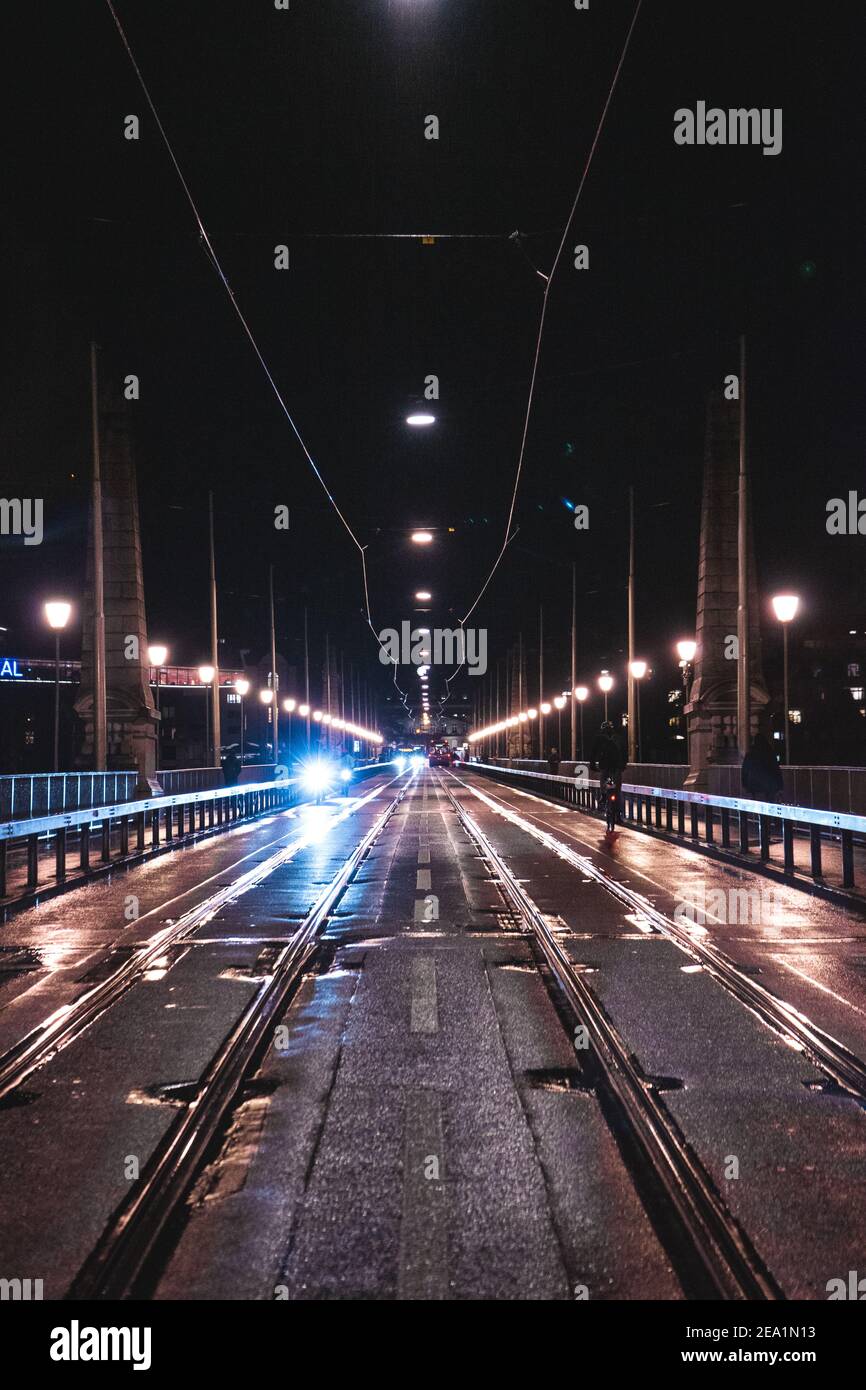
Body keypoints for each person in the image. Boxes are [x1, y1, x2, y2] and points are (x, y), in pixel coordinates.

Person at [590, 721, 625, 819]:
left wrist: (592, 764)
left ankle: (604, 796)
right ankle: (618, 813)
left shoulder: (599, 738)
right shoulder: (618, 738)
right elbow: (624, 751)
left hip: (605, 765)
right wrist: (623, 765)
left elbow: (593, 752)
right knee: (617, 789)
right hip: (617, 766)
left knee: (604, 780)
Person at [741, 730, 783, 802]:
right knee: (769, 802)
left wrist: (745, 784)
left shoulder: (750, 754)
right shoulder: (769, 753)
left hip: (753, 785)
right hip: (769, 785)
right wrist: (780, 785)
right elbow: (775, 769)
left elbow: (745, 770)